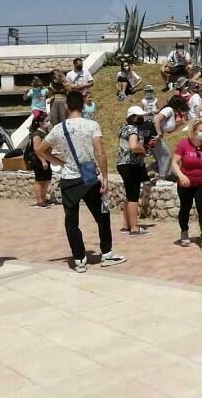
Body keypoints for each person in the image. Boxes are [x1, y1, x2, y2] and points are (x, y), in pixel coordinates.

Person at [35, 91, 126, 273]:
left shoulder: (58, 128)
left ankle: (79, 259)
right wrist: (105, 177)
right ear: (83, 105)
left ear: (67, 106)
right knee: (102, 216)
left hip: (69, 179)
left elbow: (40, 149)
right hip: (89, 176)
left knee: (71, 221)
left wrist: (60, 163)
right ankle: (106, 254)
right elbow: (100, 152)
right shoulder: (91, 125)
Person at [171, 120, 202, 251]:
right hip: (185, 184)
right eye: (201, 130)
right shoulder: (183, 145)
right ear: (193, 131)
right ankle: (184, 232)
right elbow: (174, 163)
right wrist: (180, 176)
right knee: (185, 208)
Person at [117, 106, 149, 236]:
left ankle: (126, 225)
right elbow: (133, 146)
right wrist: (143, 150)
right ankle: (134, 227)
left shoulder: (123, 128)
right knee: (134, 196)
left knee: (129, 195)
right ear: (132, 117)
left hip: (122, 164)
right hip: (131, 165)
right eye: (138, 116)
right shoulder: (133, 129)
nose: (141, 118)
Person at [152, 95, 190, 181]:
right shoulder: (168, 110)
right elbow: (156, 120)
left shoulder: (172, 113)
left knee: (161, 156)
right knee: (167, 155)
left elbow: (168, 130)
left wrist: (179, 124)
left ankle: (159, 174)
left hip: (156, 136)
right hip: (154, 135)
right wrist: (159, 134)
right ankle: (162, 178)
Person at [26, 110, 52, 208]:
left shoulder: (45, 132)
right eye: (46, 121)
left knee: (46, 179)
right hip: (38, 160)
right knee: (40, 180)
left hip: (47, 158)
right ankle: (39, 200)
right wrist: (43, 161)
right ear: (40, 123)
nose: (48, 123)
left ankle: (44, 199)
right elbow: (36, 149)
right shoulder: (37, 134)